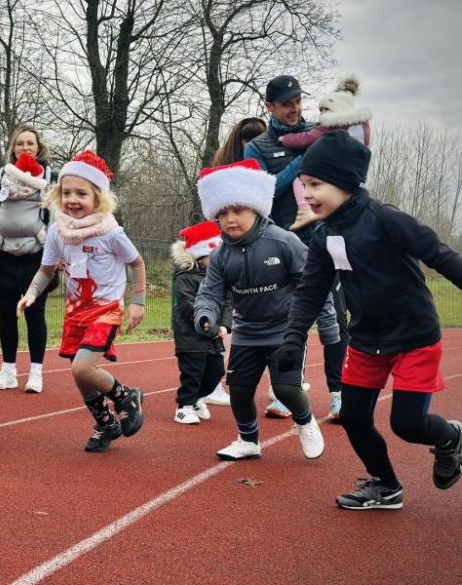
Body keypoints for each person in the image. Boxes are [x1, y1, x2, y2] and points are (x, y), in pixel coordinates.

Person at [276, 131, 462, 510]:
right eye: (303, 185)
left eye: (315, 185)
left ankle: (451, 440)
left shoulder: (385, 218)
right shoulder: (324, 234)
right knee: (354, 417)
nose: (306, 195)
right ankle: (386, 486)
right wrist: (293, 338)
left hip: (414, 337)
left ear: (345, 181)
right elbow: (311, 290)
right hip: (365, 340)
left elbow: (439, 255)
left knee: (407, 425)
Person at [194, 159, 338, 461]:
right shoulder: (220, 256)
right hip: (247, 332)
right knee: (241, 391)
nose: (230, 219)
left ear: (256, 208)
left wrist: (328, 326)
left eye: (237, 210)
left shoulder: (284, 241)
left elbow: (313, 285)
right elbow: (210, 292)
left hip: (286, 331)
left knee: (286, 389)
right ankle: (248, 440)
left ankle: (305, 420)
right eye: (222, 212)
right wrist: (204, 316)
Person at [17, 150, 146, 453]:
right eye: (67, 193)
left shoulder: (110, 233)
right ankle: (105, 425)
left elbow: (137, 263)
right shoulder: (58, 232)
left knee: (82, 368)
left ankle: (126, 396)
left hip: (105, 309)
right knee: (82, 378)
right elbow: (47, 271)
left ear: (98, 197)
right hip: (76, 313)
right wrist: (32, 293)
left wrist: (137, 301)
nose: (73, 199)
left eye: (81, 193)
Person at [244, 75, 349, 422]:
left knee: (335, 317)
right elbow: (265, 193)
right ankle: (286, 390)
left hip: (326, 238)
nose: (295, 108)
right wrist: (299, 162)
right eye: (287, 102)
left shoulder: (319, 133)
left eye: (298, 101)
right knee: (289, 320)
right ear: (270, 106)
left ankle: (338, 394)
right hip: (283, 244)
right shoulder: (257, 147)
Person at [0, 124, 56, 394]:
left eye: (30, 143)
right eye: (20, 143)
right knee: (7, 315)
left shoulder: (49, 175)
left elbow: (58, 211)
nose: (25, 148)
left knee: (35, 315)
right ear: (13, 148)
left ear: (39, 147)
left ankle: (36, 372)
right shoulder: (2, 175)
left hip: (38, 257)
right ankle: (8, 370)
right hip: (5, 256)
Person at [206, 117, 269, 408]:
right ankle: (219, 379)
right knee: (228, 313)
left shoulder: (266, 163)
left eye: (257, 140)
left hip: (262, 249)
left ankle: (279, 383)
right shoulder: (225, 169)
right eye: (247, 140)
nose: (252, 146)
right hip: (231, 248)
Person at [279, 77, 373, 231]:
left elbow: (306, 138)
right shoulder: (361, 125)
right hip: (355, 174)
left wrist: (286, 139)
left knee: (300, 179)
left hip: (329, 167)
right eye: (321, 110)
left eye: (326, 109)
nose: (322, 113)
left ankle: (305, 210)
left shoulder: (329, 125)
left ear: (338, 110)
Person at [170, 221, 230, 424]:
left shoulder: (219, 277)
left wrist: (223, 325)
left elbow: (227, 301)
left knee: (216, 371)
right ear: (199, 254)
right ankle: (184, 406)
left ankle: (197, 399)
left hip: (212, 335)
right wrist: (206, 324)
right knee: (193, 372)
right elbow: (189, 304)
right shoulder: (185, 276)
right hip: (190, 336)